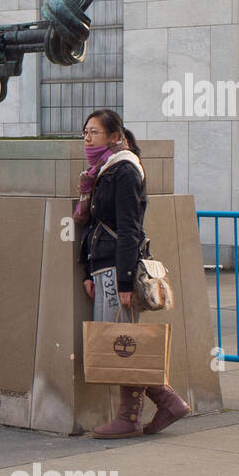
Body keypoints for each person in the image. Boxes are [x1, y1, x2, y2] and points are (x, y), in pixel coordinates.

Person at [77, 108, 189, 438]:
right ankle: (167, 402)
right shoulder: (102, 171)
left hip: (117, 268)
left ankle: (131, 416)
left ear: (115, 137)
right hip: (103, 267)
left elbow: (129, 229)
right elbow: (96, 226)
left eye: (93, 132)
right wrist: (88, 270)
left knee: (121, 341)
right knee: (118, 340)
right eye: (84, 132)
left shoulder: (124, 170)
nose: (87, 138)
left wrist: (125, 280)